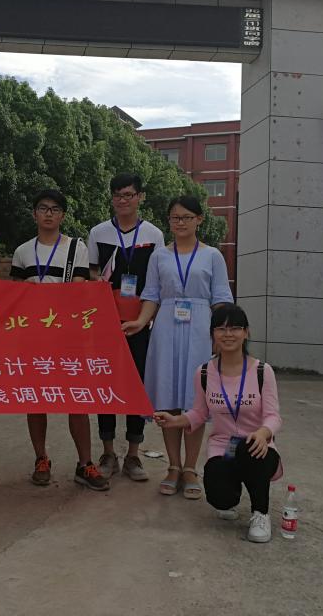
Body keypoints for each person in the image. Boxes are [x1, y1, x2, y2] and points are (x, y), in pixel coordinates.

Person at [123, 195, 232, 500]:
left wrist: (221, 334)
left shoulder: (212, 256)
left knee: (196, 400)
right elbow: (152, 294)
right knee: (168, 398)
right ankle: (172, 466)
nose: (180, 222)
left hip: (200, 328)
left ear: (199, 220)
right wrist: (141, 321)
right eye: (174, 218)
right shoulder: (159, 256)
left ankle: (190, 468)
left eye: (186, 217)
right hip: (166, 328)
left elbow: (221, 297)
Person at [154, 304, 283, 543]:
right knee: (220, 498)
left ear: (246, 332)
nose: (228, 334)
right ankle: (231, 493)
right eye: (221, 329)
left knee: (250, 450)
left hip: (257, 445)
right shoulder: (204, 373)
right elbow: (199, 413)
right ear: (212, 334)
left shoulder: (262, 371)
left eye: (235, 328)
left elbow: (273, 416)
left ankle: (260, 513)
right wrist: (175, 421)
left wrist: (264, 433)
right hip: (224, 447)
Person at [10, 188, 109, 491]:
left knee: (76, 400)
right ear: (34, 214)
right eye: (43, 208)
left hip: (68, 336)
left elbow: (77, 289)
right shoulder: (23, 251)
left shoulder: (77, 248)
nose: (49, 213)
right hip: (34, 337)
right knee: (36, 400)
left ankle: (85, 463)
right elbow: (15, 294)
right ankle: (41, 458)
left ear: (63, 215)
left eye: (55, 209)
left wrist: (39, 296)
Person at [86, 173, 165, 482]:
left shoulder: (154, 235)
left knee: (137, 385)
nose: (123, 200)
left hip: (140, 321)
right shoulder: (98, 232)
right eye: (118, 195)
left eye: (129, 194)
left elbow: (155, 284)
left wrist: (143, 320)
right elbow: (92, 274)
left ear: (140, 197)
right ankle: (108, 452)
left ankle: (133, 454)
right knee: (104, 384)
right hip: (106, 322)